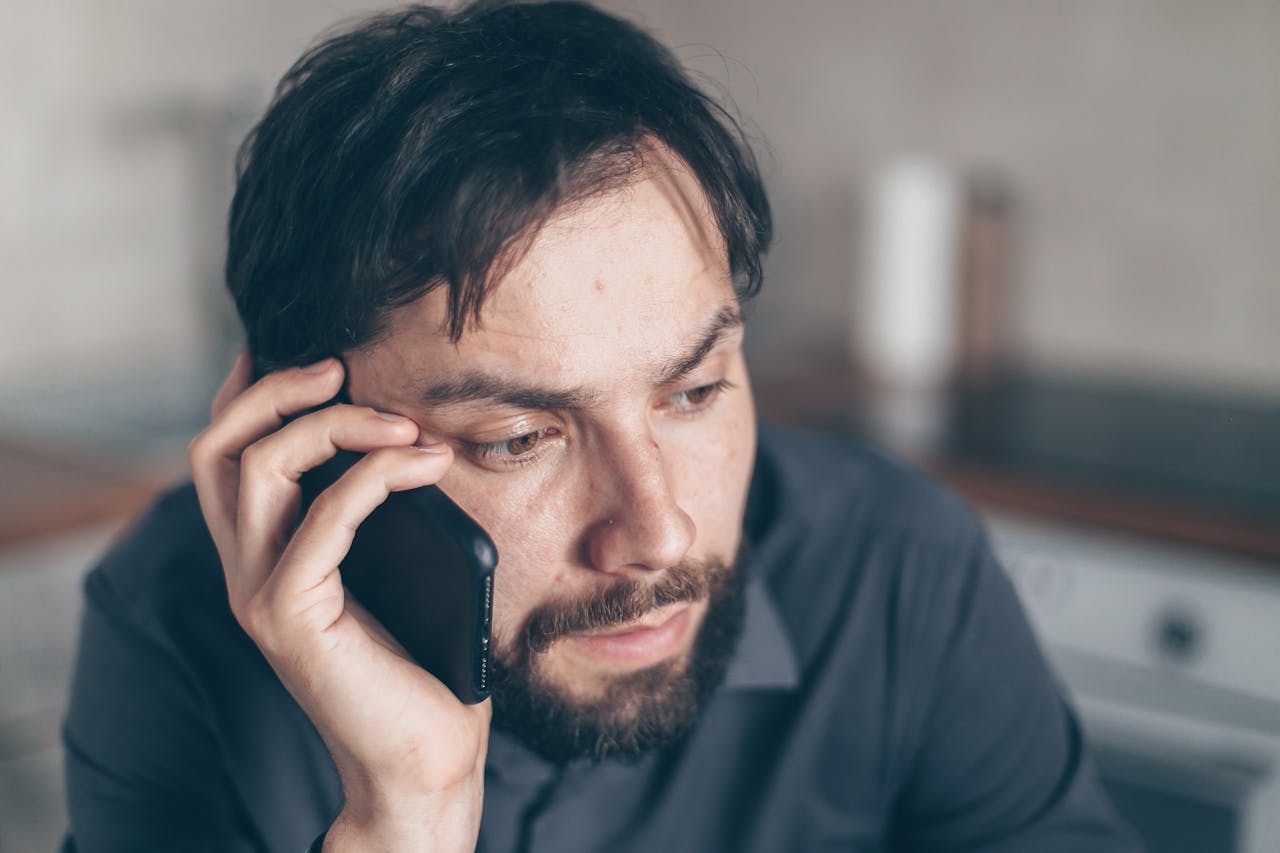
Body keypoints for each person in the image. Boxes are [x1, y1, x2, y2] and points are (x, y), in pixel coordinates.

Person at [61, 2, 1142, 851]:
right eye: (518, 438)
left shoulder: (896, 566)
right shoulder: (173, 625)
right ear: (314, 439)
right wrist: (405, 820)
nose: (657, 531)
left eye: (694, 391)